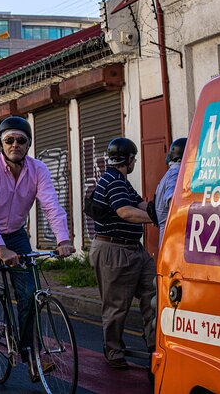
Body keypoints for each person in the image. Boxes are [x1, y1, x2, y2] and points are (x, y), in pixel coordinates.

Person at [0, 116, 75, 393]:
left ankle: (30, 357)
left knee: (29, 294)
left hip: (16, 233)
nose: (15, 144)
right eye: (9, 140)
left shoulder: (38, 169)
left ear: (28, 143)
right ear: (1, 143)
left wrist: (63, 238)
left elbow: (51, 205)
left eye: (21, 140)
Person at [89, 137, 156, 369]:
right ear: (128, 159)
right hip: (115, 249)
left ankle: (154, 343)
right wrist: (159, 218)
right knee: (117, 305)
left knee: (155, 290)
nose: (134, 162)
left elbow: (139, 204)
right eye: (133, 158)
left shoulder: (121, 181)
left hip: (132, 248)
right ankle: (113, 350)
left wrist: (166, 208)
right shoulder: (114, 181)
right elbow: (125, 212)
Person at [153, 137, 187, 248]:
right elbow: (172, 200)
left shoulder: (172, 172)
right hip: (171, 240)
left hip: (168, 238)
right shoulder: (176, 172)